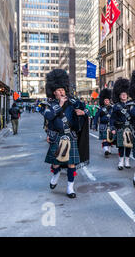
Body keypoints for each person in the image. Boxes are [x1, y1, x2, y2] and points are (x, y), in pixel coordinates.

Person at [43, 69, 90, 199]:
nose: (62, 92)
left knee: (71, 164)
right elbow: (49, 116)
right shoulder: (49, 104)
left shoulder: (73, 102)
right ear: (54, 92)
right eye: (59, 90)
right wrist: (60, 104)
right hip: (57, 136)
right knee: (56, 163)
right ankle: (56, 174)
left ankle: (70, 188)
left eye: (63, 89)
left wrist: (84, 112)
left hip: (70, 136)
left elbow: (86, 108)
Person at [110, 78, 133, 170]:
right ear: (119, 95)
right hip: (120, 128)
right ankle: (121, 162)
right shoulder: (116, 106)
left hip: (129, 128)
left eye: (125, 94)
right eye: (122, 94)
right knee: (121, 146)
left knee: (128, 145)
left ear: (127, 95)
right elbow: (112, 118)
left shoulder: (131, 105)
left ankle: (127, 161)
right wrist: (112, 128)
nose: (124, 95)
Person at [93, 89, 114, 157]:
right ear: (103, 101)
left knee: (110, 139)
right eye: (105, 100)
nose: (106, 101)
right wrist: (94, 125)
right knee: (105, 139)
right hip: (103, 125)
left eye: (107, 100)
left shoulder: (112, 108)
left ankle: (108, 149)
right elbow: (96, 117)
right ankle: (106, 150)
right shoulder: (100, 109)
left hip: (111, 126)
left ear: (109, 101)